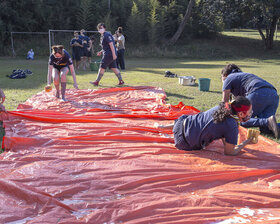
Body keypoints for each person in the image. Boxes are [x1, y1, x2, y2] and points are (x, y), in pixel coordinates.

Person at [162, 96, 254, 155]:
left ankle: (162, 127)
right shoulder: (232, 125)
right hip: (183, 142)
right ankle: (170, 133)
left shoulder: (223, 107)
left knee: (194, 119)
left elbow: (221, 129)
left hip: (180, 123)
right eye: (249, 112)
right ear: (241, 114)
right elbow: (229, 152)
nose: (250, 114)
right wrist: (246, 142)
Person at [221, 64, 279, 138]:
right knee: (267, 129)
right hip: (273, 94)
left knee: (238, 120)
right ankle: (269, 122)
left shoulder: (228, 78)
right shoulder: (243, 76)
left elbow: (224, 102)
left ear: (225, 75)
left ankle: (267, 121)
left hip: (258, 93)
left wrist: (223, 115)